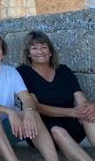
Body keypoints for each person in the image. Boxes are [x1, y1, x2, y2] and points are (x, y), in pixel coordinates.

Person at [0, 35, 59, 161]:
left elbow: (26, 98)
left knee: (33, 114)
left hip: (9, 127)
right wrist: (9, 112)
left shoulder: (11, 72)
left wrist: (29, 112)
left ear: (3, 54)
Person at [17, 31, 95, 161]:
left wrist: (87, 108)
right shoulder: (23, 72)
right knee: (58, 130)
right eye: (34, 48)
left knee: (89, 116)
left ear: (50, 52)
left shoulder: (63, 70)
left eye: (43, 47)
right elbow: (36, 106)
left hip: (71, 121)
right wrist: (72, 112)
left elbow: (80, 98)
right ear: (29, 54)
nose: (40, 51)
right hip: (41, 127)